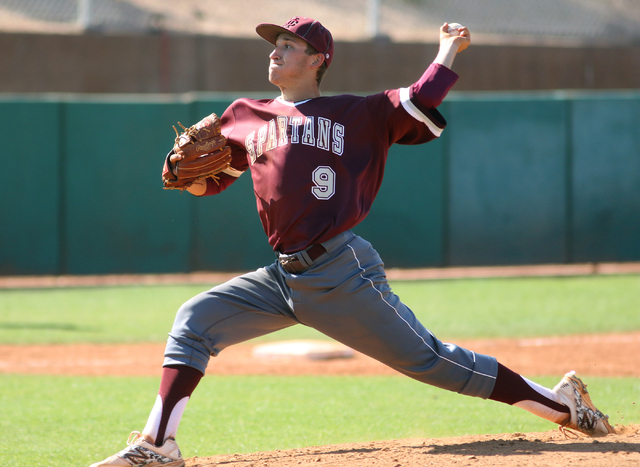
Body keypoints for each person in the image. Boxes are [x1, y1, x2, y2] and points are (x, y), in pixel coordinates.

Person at [89, 17, 613, 467]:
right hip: (281, 277)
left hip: (340, 271)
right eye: (275, 44)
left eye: (289, 46)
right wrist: (179, 171)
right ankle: (159, 444)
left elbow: (421, 99)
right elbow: (211, 181)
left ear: (319, 60)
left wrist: (448, 50)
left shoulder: (355, 113)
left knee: (436, 363)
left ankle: (563, 405)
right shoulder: (244, 114)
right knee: (195, 320)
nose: (276, 51)